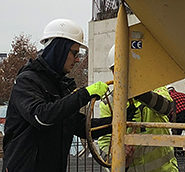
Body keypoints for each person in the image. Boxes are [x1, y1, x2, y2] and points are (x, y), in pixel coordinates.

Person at [2, 19, 113, 172]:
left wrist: (117, 122)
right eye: (74, 52)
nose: (77, 59)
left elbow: (81, 127)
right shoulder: (27, 81)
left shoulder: (62, 86)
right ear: (58, 49)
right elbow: (42, 117)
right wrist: (85, 94)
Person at [98, 45, 179, 172]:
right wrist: (117, 154)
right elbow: (103, 144)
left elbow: (167, 107)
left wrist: (138, 92)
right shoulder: (109, 102)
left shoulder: (154, 88)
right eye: (118, 70)